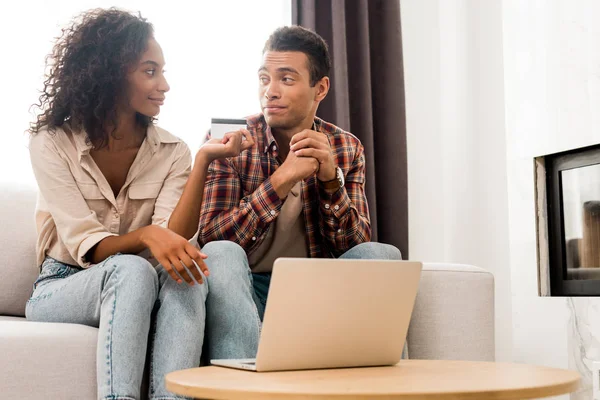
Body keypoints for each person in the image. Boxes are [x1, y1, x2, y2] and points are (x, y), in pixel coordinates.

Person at [25, 8, 252, 400]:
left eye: (162, 71)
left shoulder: (172, 150)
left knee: (187, 271)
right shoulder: (51, 142)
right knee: (131, 270)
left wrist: (202, 162)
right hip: (62, 284)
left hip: (142, 278)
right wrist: (148, 235)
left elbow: (174, 238)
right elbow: (90, 248)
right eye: (150, 71)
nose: (164, 84)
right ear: (110, 75)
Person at [199, 26, 401, 361]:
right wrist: (281, 179)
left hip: (315, 289)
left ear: (320, 88)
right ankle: (240, 390)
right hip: (246, 287)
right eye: (264, 78)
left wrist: (330, 182)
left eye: (286, 79)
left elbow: (354, 248)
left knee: (381, 256)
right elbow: (213, 239)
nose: (270, 91)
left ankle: (392, 392)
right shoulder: (231, 141)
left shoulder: (346, 147)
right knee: (221, 253)